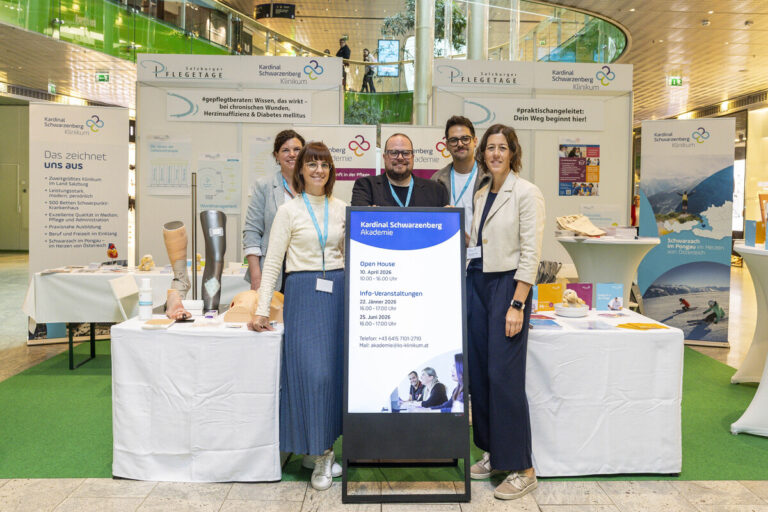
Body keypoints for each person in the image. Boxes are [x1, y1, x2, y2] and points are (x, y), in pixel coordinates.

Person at [249, 142, 346, 492]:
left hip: (338, 292)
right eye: (312, 164)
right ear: (301, 170)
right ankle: (319, 453)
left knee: (333, 376)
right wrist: (262, 308)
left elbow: (350, 253)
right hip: (303, 294)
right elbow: (273, 262)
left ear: (331, 170)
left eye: (324, 164)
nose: (318, 170)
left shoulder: (342, 209)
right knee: (312, 374)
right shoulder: (288, 211)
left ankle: (320, 448)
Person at [466, 124, 545, 500]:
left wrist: (517, 302)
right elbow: (478, 242)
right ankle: (494, 454)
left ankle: (523, 468)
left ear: (513, 153)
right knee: (481, 374)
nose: (495, 154)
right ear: (482, 154)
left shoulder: (526, 193)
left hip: (508, 288)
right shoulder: (482, 193)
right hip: (478, 284)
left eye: (502, 148)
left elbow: (531, 252)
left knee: (503, 376)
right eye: (490, 148)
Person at [243, 130, 304, 291]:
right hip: (272, 270)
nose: (292, 154)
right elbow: (252, 232)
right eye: (285, 150)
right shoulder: (264, 186)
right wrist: (256, 277)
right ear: (276, 155)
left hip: (305, 268)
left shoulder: (313, 186)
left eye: (297, 149)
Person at [432, 116, 491, 243]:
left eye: (465, 139)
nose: (460, 144)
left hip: (483, 252)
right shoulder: (436, 180)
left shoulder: (490, 178)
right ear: (447, 145)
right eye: (454, 140)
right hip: (448, 250)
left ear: (475, 141)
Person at [351, 133, 449, 207]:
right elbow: (359, 221)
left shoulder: (436, 190)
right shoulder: (366, 186)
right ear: (385, 157)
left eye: (406, 153)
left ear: (412, 157)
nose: (400, 158)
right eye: (394, 153)